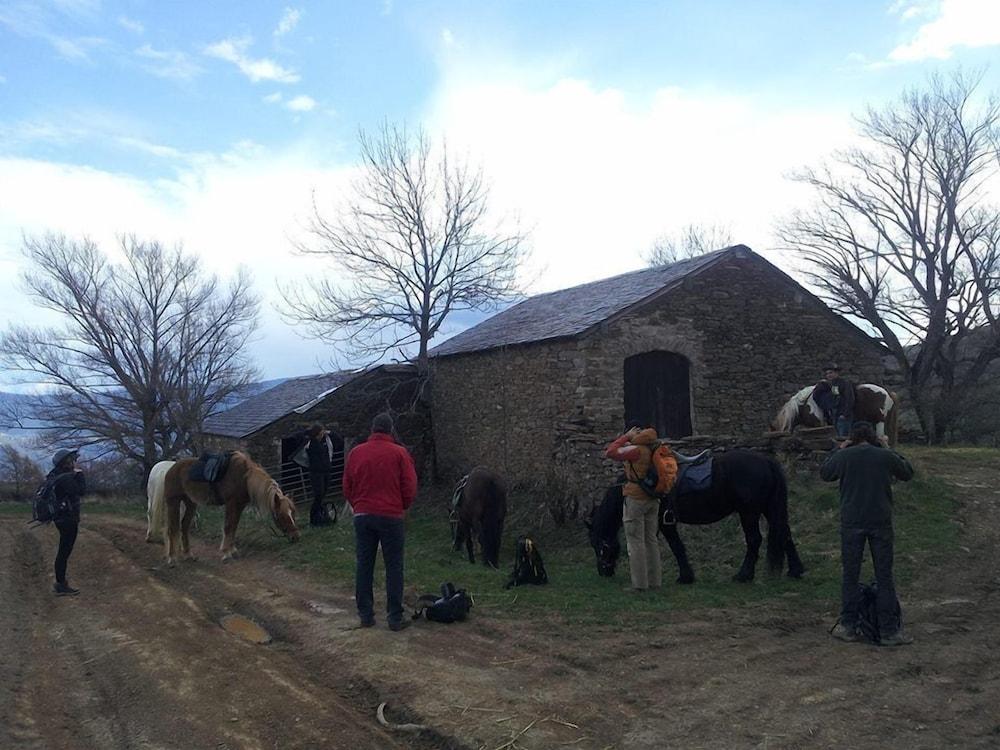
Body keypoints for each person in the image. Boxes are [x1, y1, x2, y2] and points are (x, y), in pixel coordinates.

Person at [820, 421, 914, 646]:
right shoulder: (883, 456)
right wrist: (887, 448)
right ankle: (889, 631)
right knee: (884, 577)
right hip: (880, 521)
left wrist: (838, 449)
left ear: (852, 438)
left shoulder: (846, 456)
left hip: (851, 521)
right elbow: (907, 472)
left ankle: (848, 625)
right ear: (873, 438)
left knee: (850, 576)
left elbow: (825, 473)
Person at [342, 413, 418, 631]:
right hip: (391, 516)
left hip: (363, 515)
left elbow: (347, 486)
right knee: (394, 566)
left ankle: (365, 615)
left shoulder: (356, 453)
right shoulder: (400, 453)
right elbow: (410, 486)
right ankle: (394, 617)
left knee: (364, 564)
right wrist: (401, 505)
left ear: (372, 430)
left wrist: (358, 504)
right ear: (390, 430)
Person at [604, 425, 677, 592]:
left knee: (635, 542)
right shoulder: (657, 448)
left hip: (636, 499)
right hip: (653, 498)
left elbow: (611, 452)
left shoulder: (636, 450)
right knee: (651, 540)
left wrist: (625, 436)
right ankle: (655, 582)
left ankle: (639, 585)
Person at [47, 448, 86, 596]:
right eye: (70, 460)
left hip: (60, 518)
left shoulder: (55, 476)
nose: (73, 462)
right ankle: (60, 584)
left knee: (63, 551)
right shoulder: (66, 478)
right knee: (64, 552)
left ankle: (61, 583)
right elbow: (81, 491)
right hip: (68, 519)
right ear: (64, 463)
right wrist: (80, 475)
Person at [813, 364, 855, 438]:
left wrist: (845, 414)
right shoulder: (831, 385)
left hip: (843, 415)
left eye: (831, 373)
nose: (829, 375)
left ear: (837, 373)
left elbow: (849, 399)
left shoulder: (845, 383)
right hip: (835, 415)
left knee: (843, 435)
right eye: (827, 373)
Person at [304, 424, 334, 527]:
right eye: (321, 433)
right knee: (318, 495)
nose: (323, 434)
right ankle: (313, 518)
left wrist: (329, 433)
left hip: (325, 471)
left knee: (323, 494)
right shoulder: (312, 444)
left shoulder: (324, 442)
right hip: (316, 473)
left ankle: (320, 516)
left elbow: (337, 439)